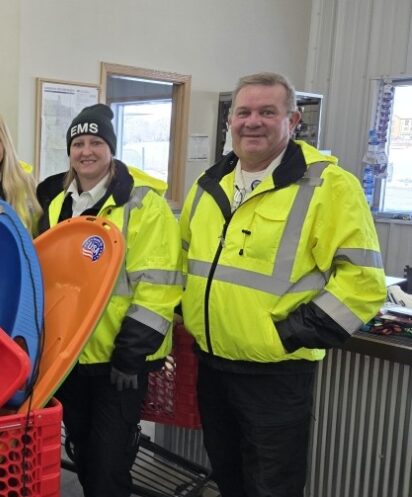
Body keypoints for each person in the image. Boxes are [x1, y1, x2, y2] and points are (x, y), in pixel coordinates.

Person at [179, 72, 385, 497]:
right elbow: (183, 264)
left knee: (272, 488)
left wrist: (288, 334)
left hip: (276, 375)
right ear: (230, 121)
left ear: (292, 121)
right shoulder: (208, 185)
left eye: (267, 112)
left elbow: (362, 284)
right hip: (213, 366)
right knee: (228, 479)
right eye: (244, 112)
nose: (252, 122)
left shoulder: (327, 186)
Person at [39, 104, 182, 497]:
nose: (87, 151)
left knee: (108, 468)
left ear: (112, 149)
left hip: (118, 365)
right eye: (78, 143)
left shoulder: (144, 205)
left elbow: (159, 285)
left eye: (97, 142)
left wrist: (130, 355)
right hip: (71, 358)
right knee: (85, 456)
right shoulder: (58, 204)